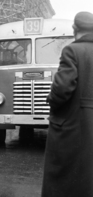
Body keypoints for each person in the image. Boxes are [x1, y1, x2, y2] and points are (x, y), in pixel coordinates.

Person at [41, 11, 93, 197]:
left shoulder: (72, 51)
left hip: (72, 126)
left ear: (75, 30)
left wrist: (52, 103)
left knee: (63, 179)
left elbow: (62, 88)